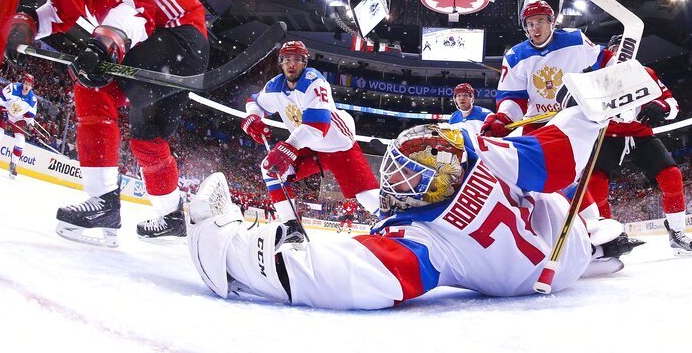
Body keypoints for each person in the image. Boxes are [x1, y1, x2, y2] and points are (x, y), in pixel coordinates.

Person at [186, 106, 630, 310]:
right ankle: (594, 236)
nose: (396, 187)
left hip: (527, 277)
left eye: (410, 179)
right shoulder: (478, 152)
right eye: (397, 173)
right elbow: (556, 157)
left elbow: (332, 274)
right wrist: (592, 109)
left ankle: (594, 240)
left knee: (541, 163)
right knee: (549, 172)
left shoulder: (426, 239)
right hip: (558, 250)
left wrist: (224, 245)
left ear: (442, 179)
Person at [5, 0, 210, 246]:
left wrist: (104, 43)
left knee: (92, 85)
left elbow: (137, 11)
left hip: (176, 38)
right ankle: (171, 217)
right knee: (147, 140)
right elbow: (59, 11)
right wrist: (25, 25)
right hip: (167, 50)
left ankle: (102, 200)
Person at [240, 40, 379, 239]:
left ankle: (395, 224)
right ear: (281, 63)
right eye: (287, 59)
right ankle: (291, 227)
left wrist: (289, 146)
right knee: (270, 168)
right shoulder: (275, 86)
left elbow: (318, 126)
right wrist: (252, 117)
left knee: (368, 196)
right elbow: (253, 102)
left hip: (339, 146)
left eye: (297, 59)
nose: (291, 64)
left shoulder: (314, 81)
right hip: (308, 145)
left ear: (305, 62)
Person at [585, 38, 692, 257]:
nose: (621, 54)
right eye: (616, 50)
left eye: (626, 49)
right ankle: (607, 241)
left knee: (672, 176)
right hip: (607, 136)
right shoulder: (596, 77)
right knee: (595, 187)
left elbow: (672, 103)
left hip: (640, 133)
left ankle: (677, 233)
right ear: (608, 54)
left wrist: (662, 107)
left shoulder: (646, 73)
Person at [482, 0, 602, 137]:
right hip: (537, 123)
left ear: (552, 22)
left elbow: (603, 59)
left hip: (575, 119)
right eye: (530, 24)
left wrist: (621, 73)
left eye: (540, 22)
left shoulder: (575, 40)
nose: (535, 28)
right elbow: (514, 97)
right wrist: (504, 118)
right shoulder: (515, 56)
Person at [0, 72, 38, 178]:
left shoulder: (32, 100)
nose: (27, 86)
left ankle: (13, 165)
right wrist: (3, 110)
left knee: (20, 141)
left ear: (32, 86)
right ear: (23, 82)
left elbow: (29, 116)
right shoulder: (13, 87)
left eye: (29, 84)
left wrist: (31, 126)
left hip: (18, 118)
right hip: (6, 111)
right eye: (26, 83)